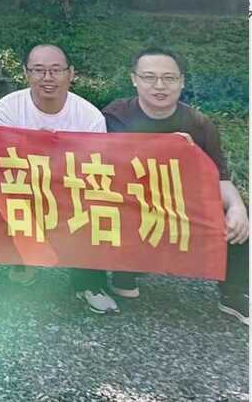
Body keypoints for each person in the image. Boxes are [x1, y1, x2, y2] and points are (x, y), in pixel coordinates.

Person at [101, 47, 249, 324]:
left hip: (180, 202)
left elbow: (220, 177)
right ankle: (125, 270)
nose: (159, 85)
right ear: (134, 79)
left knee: (240, 216)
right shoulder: (115, 116)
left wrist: (238, 207)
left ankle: (233, 293)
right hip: (130, 200)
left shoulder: (199, 124)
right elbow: (99, 166)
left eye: (169, 78)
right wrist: (162, 148)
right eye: (149, 77)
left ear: (182, 81)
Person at [0, 43, 116, 314]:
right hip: (24, 187)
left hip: (70, 189)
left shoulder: (89, 116)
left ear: (71, 73)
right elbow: (4, 161)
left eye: (56, 70)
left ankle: (90, 283)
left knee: (97, 204)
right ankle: (23, 262)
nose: (47, 78)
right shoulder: (7, 108)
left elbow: (94, 168)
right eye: (39, 70)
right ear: (26, 73)